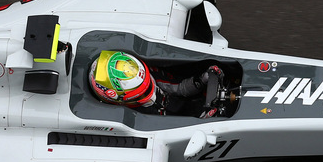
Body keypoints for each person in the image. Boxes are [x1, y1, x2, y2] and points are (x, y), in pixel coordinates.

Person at [88, 50, 224, 117]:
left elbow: (177, 87)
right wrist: (201, 120)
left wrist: (200, 81)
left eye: (147, 83)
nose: (151, 91)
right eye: (143, 91)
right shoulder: (125, 115)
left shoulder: (148, 75)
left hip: (180, 103)